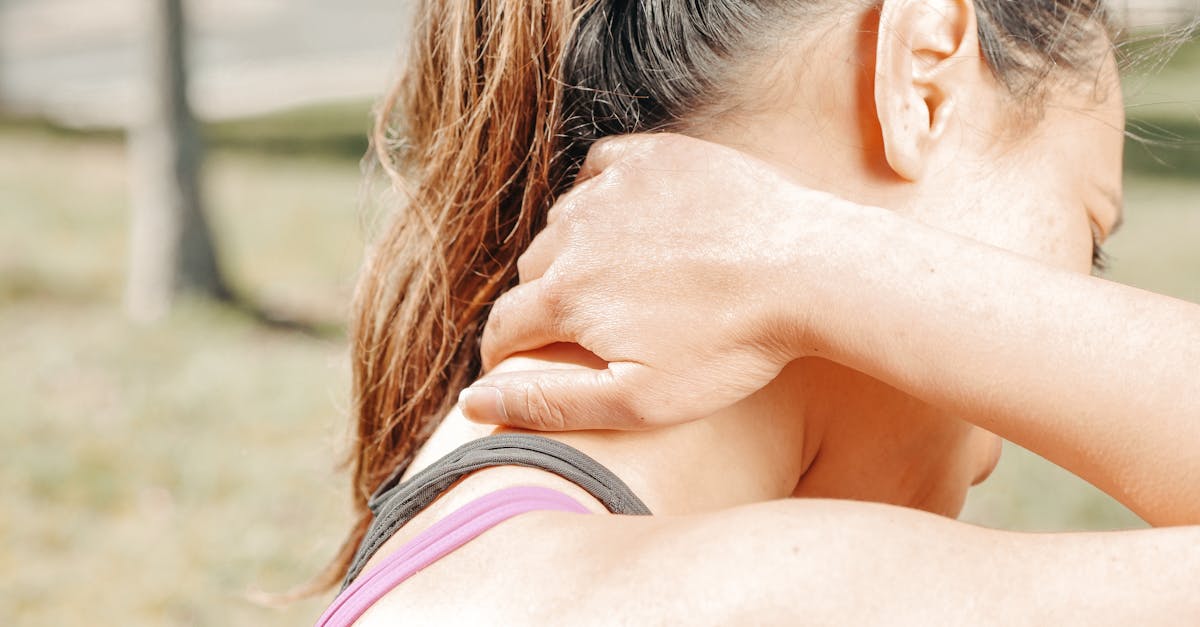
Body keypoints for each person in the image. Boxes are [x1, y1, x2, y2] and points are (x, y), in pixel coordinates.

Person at [315, 0, 1200, 623]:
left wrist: (790, 256)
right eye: (1088, 239)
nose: (995, 452)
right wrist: (813, 257)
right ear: (922, 77)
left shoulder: (472, 551)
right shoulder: (785, 594)